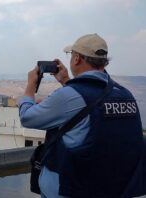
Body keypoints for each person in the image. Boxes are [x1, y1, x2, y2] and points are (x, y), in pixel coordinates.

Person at [18, 33, 146, 198]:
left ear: (77, 59)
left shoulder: (69, 96)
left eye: (71, 55)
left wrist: (30, 86)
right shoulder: (125, 94)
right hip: (115, 188)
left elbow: (27, 117)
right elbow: (91, 112)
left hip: (71, 189)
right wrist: (66, 81)